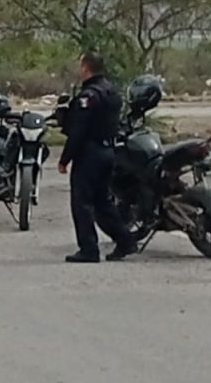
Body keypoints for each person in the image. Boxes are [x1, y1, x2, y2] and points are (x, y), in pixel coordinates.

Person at [58, 51, 138, 263]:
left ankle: (89, 249)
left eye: (80, 66)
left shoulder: (89, 96)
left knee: (82, 203)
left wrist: (65, 159)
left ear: (86, 68)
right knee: (103, 202)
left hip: (90, 154)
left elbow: (79, 132)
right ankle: (125, 240)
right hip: (108, 152)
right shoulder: (112, 91)